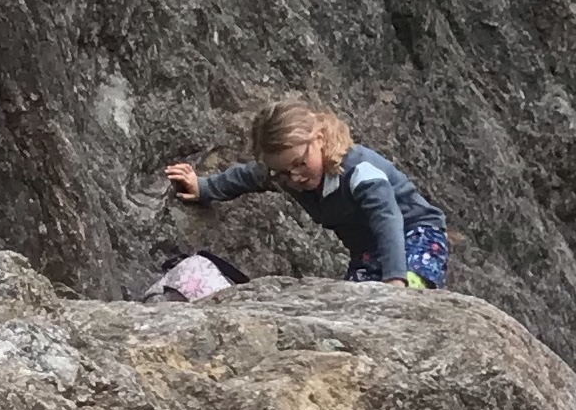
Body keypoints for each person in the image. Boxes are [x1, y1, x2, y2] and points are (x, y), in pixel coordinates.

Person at [165, 95, 450, 288]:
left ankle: (410, 286)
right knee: (356, 301)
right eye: (282, 172)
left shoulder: (359, 173)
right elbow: (249, 176)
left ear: (320, 139)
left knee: (404, 287)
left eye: (300, 163)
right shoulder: (285, 175)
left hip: (416, 234)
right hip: (366, 250)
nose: (295, 176)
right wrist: (204, 187)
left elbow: (388, 220)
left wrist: (396, 279)